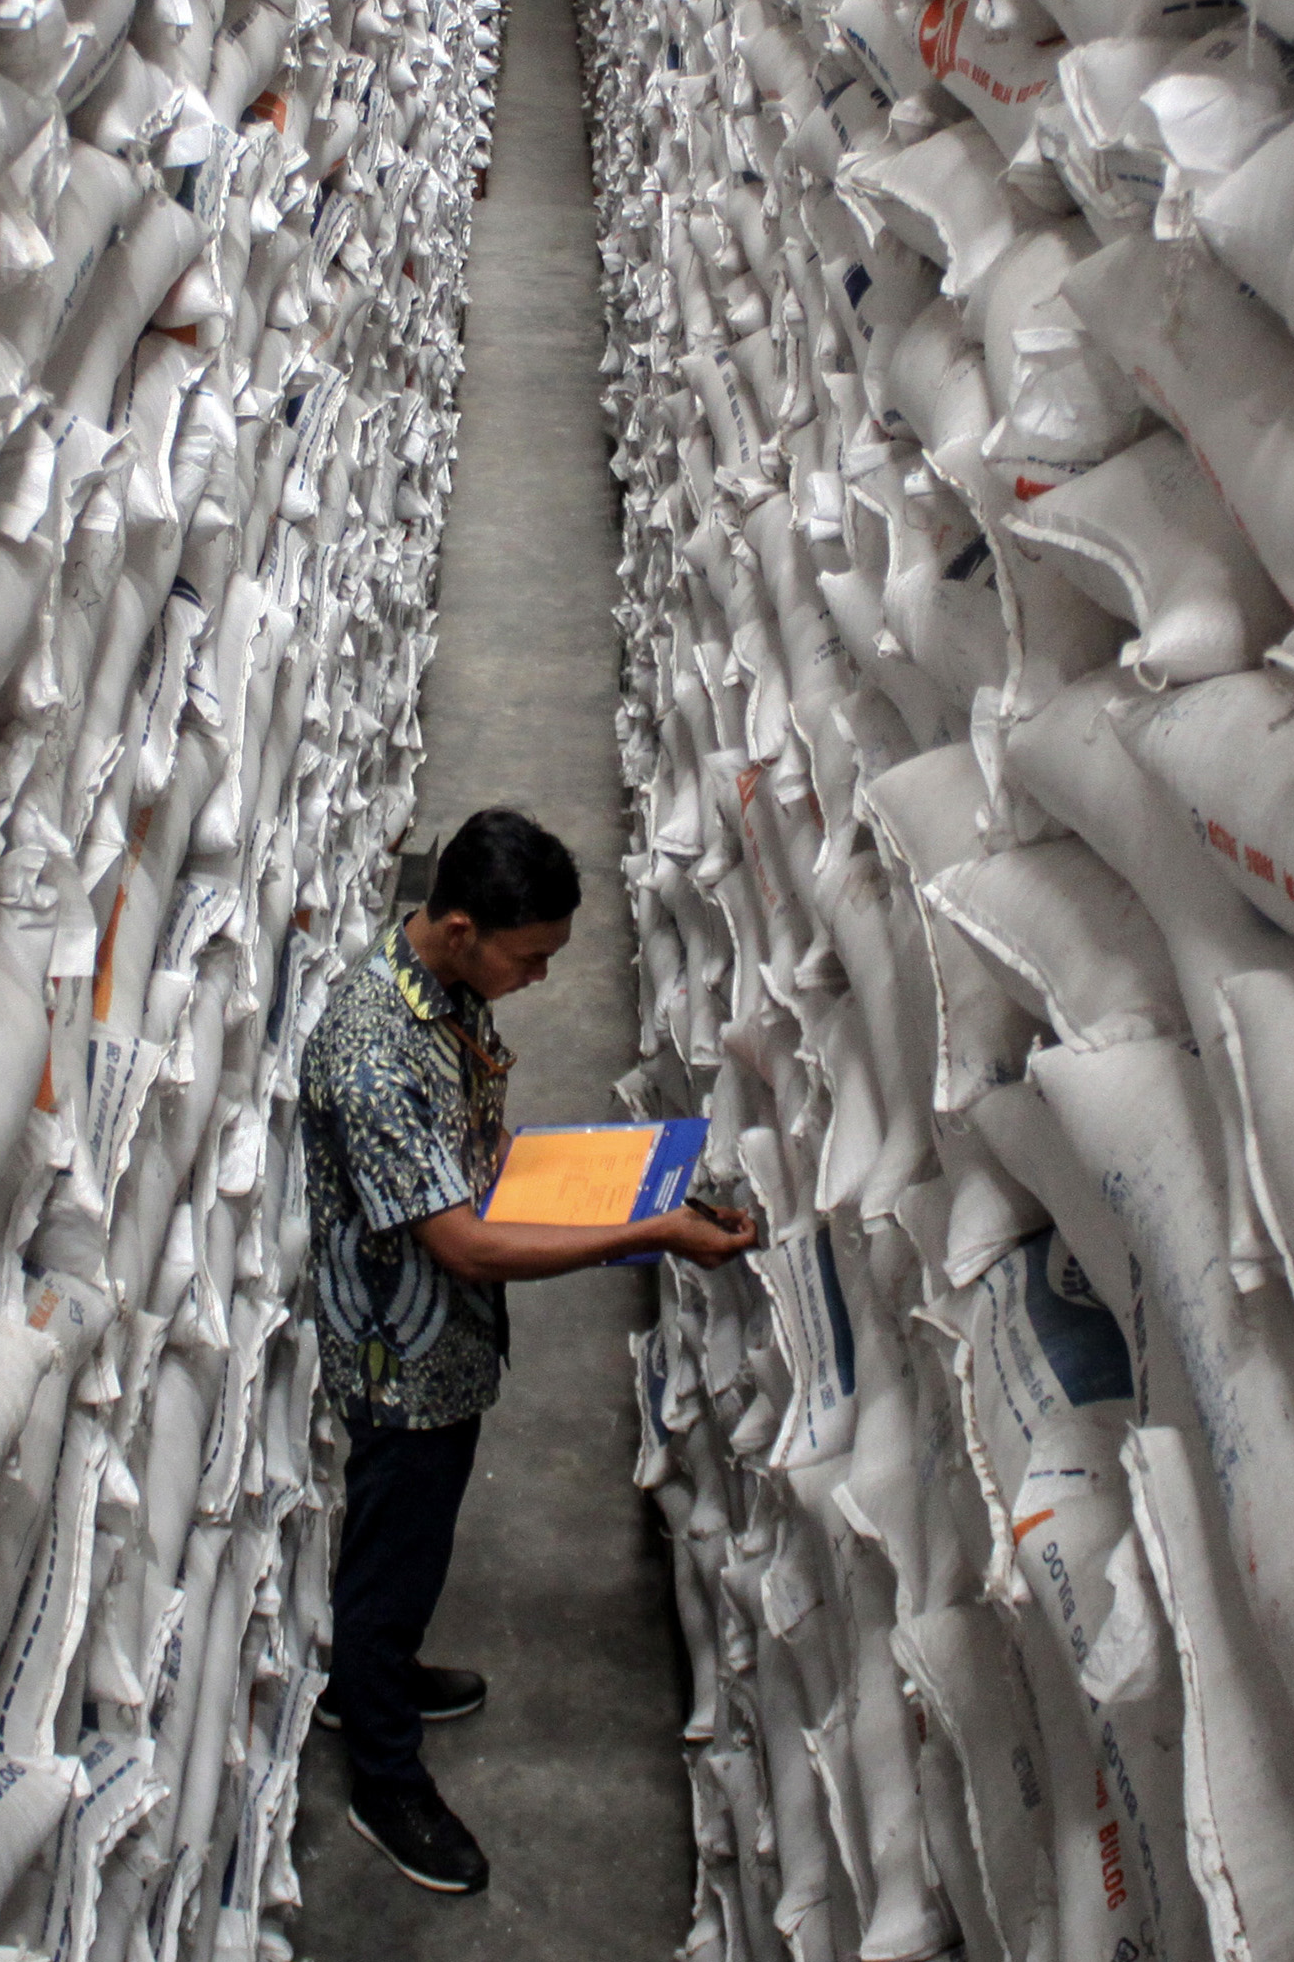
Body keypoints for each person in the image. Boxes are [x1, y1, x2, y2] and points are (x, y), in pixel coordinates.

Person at [297, 805, 760, 1895]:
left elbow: (476, 1150)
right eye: (531, 956)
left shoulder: (446, 994)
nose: (541, 979)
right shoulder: (372, 1053)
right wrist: (643, 1230)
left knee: (411, 1546)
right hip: (398, 1359)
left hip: (447, 1351)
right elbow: (458, 1243)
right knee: (391, 1546)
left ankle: (381, 1676)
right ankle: (381, 1772)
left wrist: (622, 1176)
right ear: (459, 927)